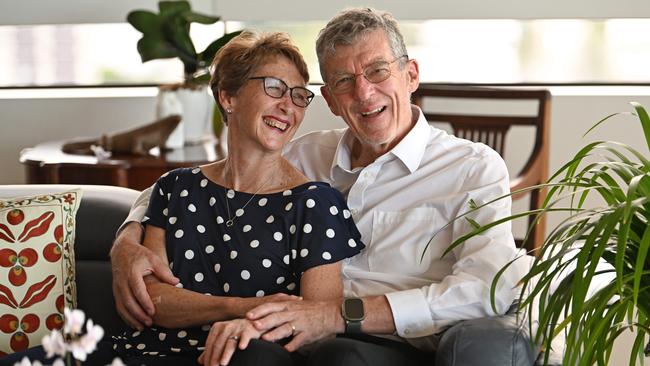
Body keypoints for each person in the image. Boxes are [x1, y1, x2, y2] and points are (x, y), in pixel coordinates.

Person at [111, 7, 529, 366]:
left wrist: (339, 314)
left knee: (338, 357)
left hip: (398, 343)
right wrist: (126, 238)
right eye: (344, 81)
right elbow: (208, 183)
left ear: (411, 74)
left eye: (378, 70)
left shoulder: (471, 168)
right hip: (300, 336)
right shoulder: (307, 155)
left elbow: (486, 288)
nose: (364, 93)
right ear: (329, 99)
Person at [2, 31, 364, 366]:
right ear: (228, 96)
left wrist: (224, 316)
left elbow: (316, 322)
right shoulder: (176, 188)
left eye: (299, 95)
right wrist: (246, 306)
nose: (289, 106)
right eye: (275, 88)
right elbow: (153, 303)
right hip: (139, 350)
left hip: (236, 357)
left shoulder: (317, 204)